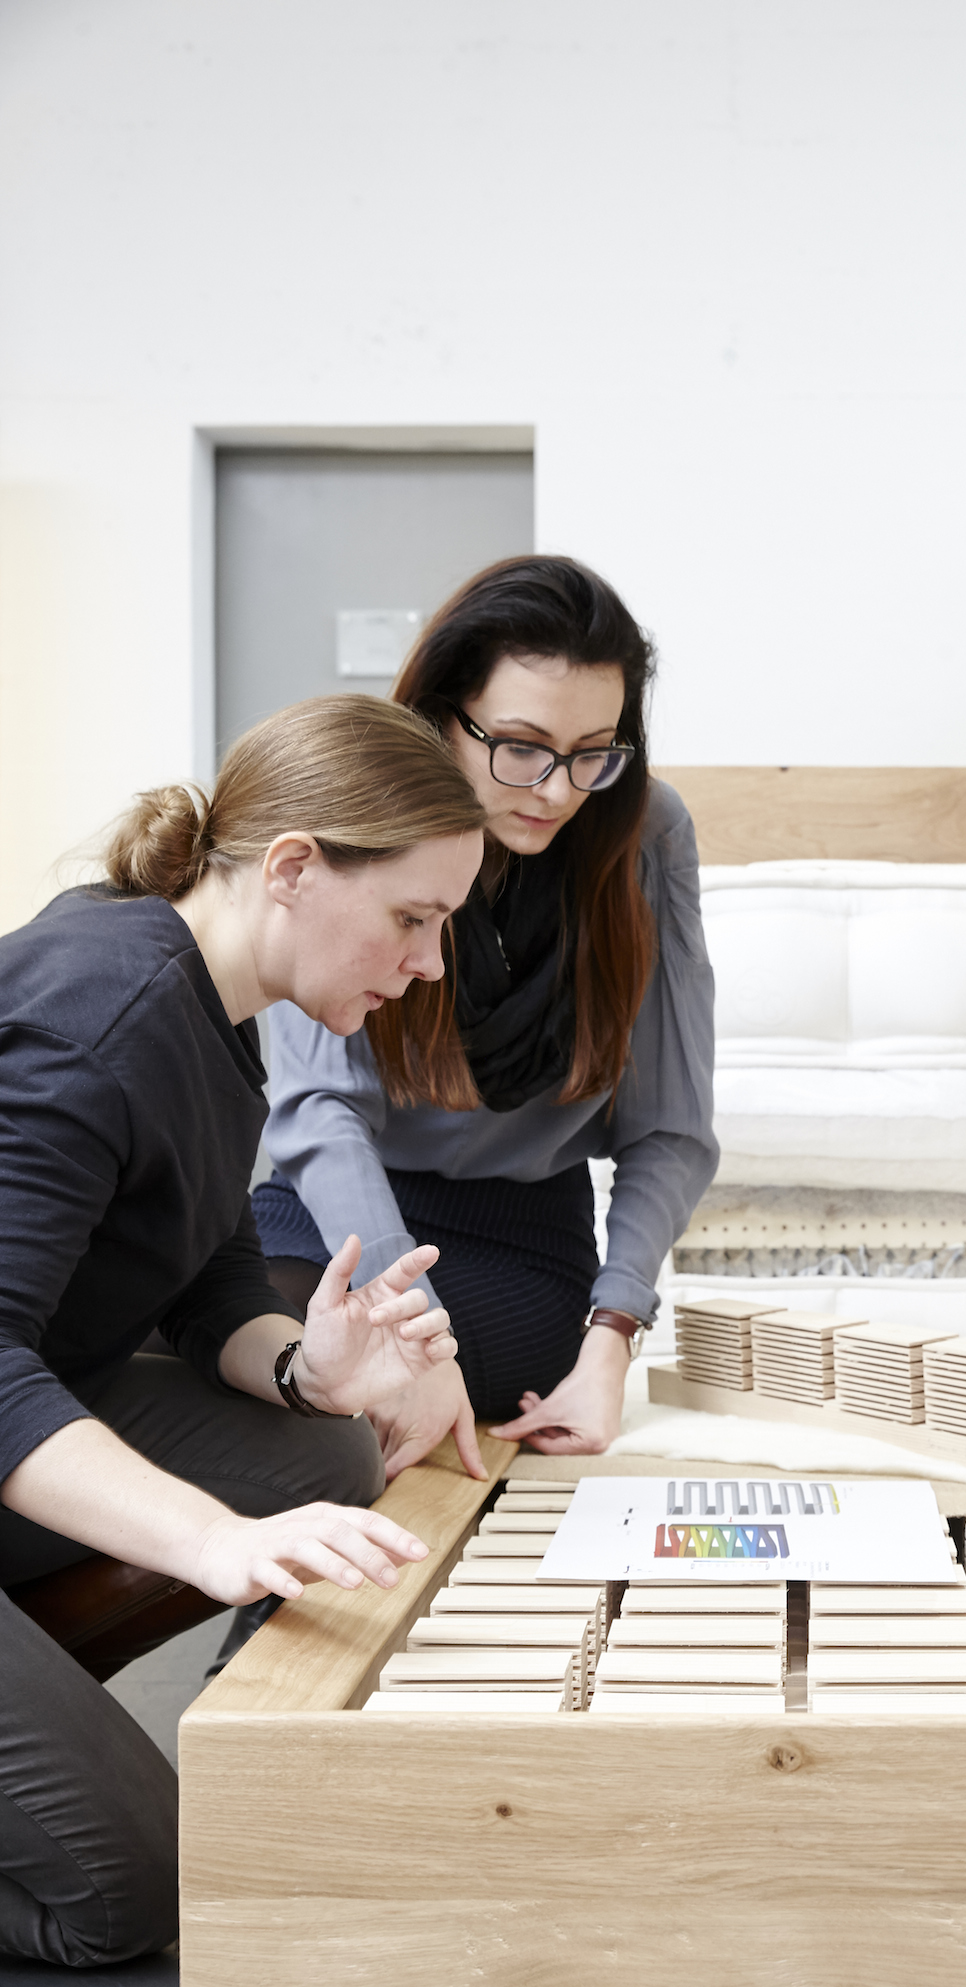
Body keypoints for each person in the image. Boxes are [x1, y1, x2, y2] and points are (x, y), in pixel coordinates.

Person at [0, 695, 487, 1964]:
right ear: (293, 869)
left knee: (325, 1452)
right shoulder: (93, 1023)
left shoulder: (212, 1009)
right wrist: (211, 1539)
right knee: (126, 1889)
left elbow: (205, 1275)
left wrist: (301, 1363)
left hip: (34, 1413)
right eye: (413, 920)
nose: (428, 963)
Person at [253, 555, 718, 1478]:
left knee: (357, 1437)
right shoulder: (356, 809)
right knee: (287, 1396)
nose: (555, 790)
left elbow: (669, 1130)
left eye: (593, 750)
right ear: (440, 717)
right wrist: (412, 1338)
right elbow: (320, 1114)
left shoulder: (645, 832)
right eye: (519, 746)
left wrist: (610, 1342)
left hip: (523, 1239)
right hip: (332, 1215)